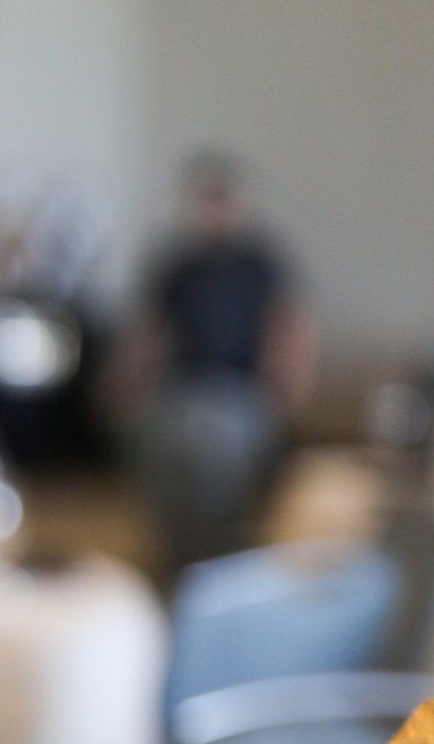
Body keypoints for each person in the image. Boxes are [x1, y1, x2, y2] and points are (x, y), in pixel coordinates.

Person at [131, 154, 314, 572]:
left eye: (221, 200)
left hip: (241, 395)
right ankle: (174, 567)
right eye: (205, 200)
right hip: (181, 393)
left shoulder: (261, 265)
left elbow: (290, 330)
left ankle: (216, 568)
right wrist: (131, 386)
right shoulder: (178, 266)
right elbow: (152, 333)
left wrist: (289, 394)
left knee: (217, 461)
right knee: (166, 456)